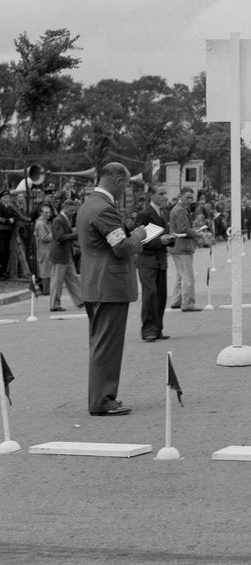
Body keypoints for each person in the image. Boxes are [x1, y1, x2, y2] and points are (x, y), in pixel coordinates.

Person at [77, 163, 147, 416]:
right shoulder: (105, 210)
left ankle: (102, 397)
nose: (126, 189)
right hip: (109, 285)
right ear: (117, 180)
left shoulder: (88, 205)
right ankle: (102, 400)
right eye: (126, 184)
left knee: (100, 343)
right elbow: (122, 247)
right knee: (107, 345)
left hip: (95, 284)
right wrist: (140, 234)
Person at [135, 185, 176, 341]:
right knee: (150, 294)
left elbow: (163, 236)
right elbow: (140, 240)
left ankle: (158, 328)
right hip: (147, 260)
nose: (164, 196)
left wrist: (170, 239)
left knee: (160, 296)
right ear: (151, 195)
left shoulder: (163, 213)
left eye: (165, 193)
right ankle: (148, 329)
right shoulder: (144, 215)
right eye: (161, 193)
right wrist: (161, 240)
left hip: (160, 260)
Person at [167, 187, 203, 313]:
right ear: (180, 196)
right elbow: (183, 229)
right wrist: (197, 233)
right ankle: (188, 303)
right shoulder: (181, 210)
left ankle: (176, 301)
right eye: (187, 197)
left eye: (191, 198)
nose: (190, 200)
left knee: (180, 275)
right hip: (182, 247)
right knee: (188, 277)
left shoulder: (176, 209)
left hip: (176, 247)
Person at [49, 199, 84, 312]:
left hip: (66, 254)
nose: (74, 212)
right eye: (72, 210)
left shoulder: (65, 219)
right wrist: (75, 235)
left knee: (73, 278)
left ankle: (80, 300)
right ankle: (54, 304)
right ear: (66, 208)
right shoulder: (58, 220)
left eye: (74, 210)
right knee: (57, 281)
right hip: (59, 255)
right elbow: (60, 237)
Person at [33, 202, 54, 295]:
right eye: (46, 213)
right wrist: (54, 235)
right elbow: (44, 237)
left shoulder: (43, 223)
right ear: (41, 213)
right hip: (44, 250)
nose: (48, 215)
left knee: (47, 269)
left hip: (46, 249)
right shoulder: (41, 224)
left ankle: (46, 289)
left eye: (49, 212)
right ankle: (45, 290)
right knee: (45, 270)